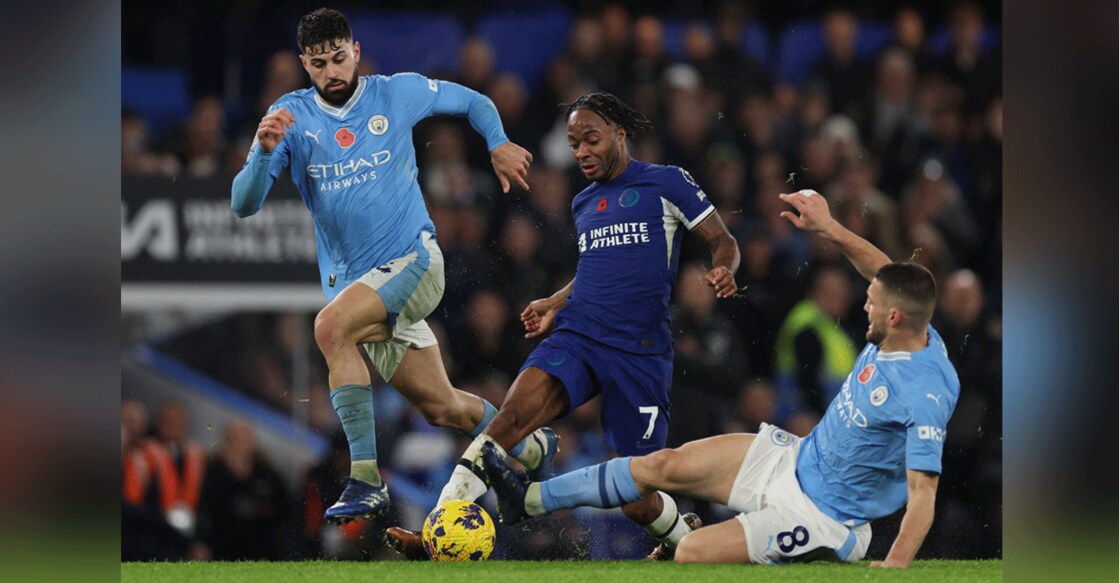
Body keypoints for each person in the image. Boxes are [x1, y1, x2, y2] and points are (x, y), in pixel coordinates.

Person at [483, 189, 960, 568]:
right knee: (661, 465)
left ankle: (795, 551)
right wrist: (830, 227)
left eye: (872, 304)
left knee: (689, 553)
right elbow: (882, 270)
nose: (864, 306)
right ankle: (528, 500)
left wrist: (896, 564)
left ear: (895, 316)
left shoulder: (925, 391)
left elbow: (923, 494)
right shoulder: (910, 324)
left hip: (823, 517)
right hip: (793, 458)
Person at [230, 7, 553, 524]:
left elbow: (472, 99)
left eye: (339, 58)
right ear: (303, 65)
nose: (332, 72)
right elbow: (244, 204)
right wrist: (265, 152)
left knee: (331, 326)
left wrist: (496, 143)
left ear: (355, 52)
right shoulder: (288, 117)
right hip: (364, 288)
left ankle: (364, 478)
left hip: (415, 261)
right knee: (442, 407)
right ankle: (534, 447)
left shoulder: (393, 92)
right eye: (319, 64)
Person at [386, 92, 741, 560]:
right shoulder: (583, 201)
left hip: (639, 353)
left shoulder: (666, 183)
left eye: (591, 140)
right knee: (509, 418)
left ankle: (681, 536)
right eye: (574, 144)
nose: (583, 152)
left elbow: (722, 238)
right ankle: (439, 530)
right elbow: (596, 267)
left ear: (619, 132)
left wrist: (724, 267)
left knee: (636, 493)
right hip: (579, 337)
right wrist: (556, 302)